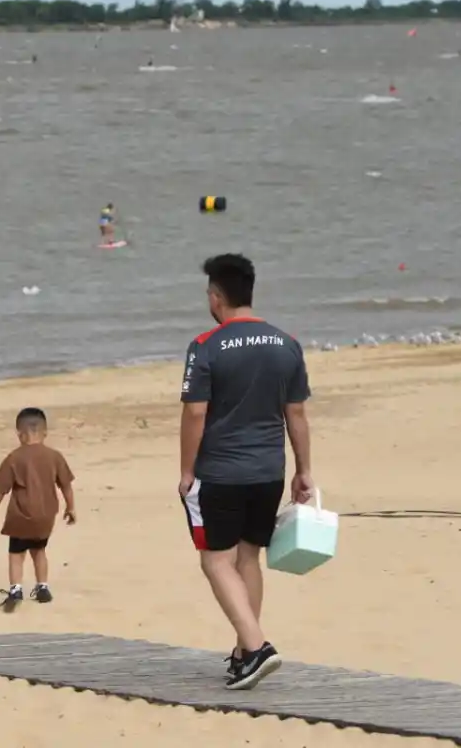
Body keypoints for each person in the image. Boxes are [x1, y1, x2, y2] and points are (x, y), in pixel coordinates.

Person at [178, 253, 313, 691]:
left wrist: (186, 471)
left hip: (221, 471)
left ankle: (256, 647)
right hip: (269, 470)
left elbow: (195, 413)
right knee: (248, 557)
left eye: (208, 293)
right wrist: (304, 469)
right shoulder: (286, 343)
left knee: (215, 560)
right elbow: (297, 414)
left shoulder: (205, 346)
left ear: (217, 296)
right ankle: (242, 655)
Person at [0, 407, 76, 612]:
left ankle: (16, 589)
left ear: (20, 434)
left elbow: (2, 488)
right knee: (39, 550)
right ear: (45, 433)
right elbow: (66, 485)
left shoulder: (14, 458)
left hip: (20, 515)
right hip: (45, 516)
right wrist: (71, 508)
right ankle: (42, 586)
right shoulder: (55, 456)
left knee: (16, 553)